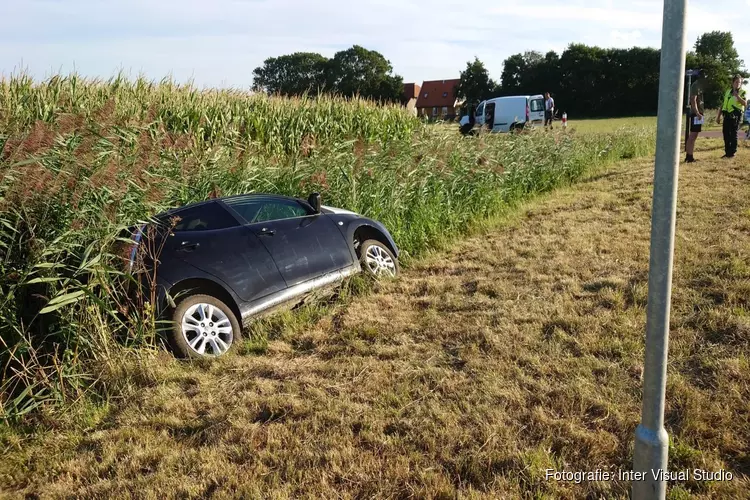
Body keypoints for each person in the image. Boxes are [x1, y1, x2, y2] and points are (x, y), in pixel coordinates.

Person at [716, 75, 747, 159]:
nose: (738, 84)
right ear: (732, 83)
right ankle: (727, 153)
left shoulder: (742, 92)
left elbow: (745, 103)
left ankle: (732, 153)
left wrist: (737, 96)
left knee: (733, 133)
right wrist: (718, 116)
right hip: (726, 114)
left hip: (736, 114)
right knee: (726, 133)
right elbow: (723, 104)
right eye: (736, 82)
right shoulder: (727, 91)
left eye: (739, 82)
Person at [685, 71, 705, 163]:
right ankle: (689, 156)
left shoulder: (700, 86)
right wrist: (697, 113)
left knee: (695, 135)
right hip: (696, 114)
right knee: (692, 135)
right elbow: (693, 100)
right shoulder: (695, 85)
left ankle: (690, 155)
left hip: (699, 113)